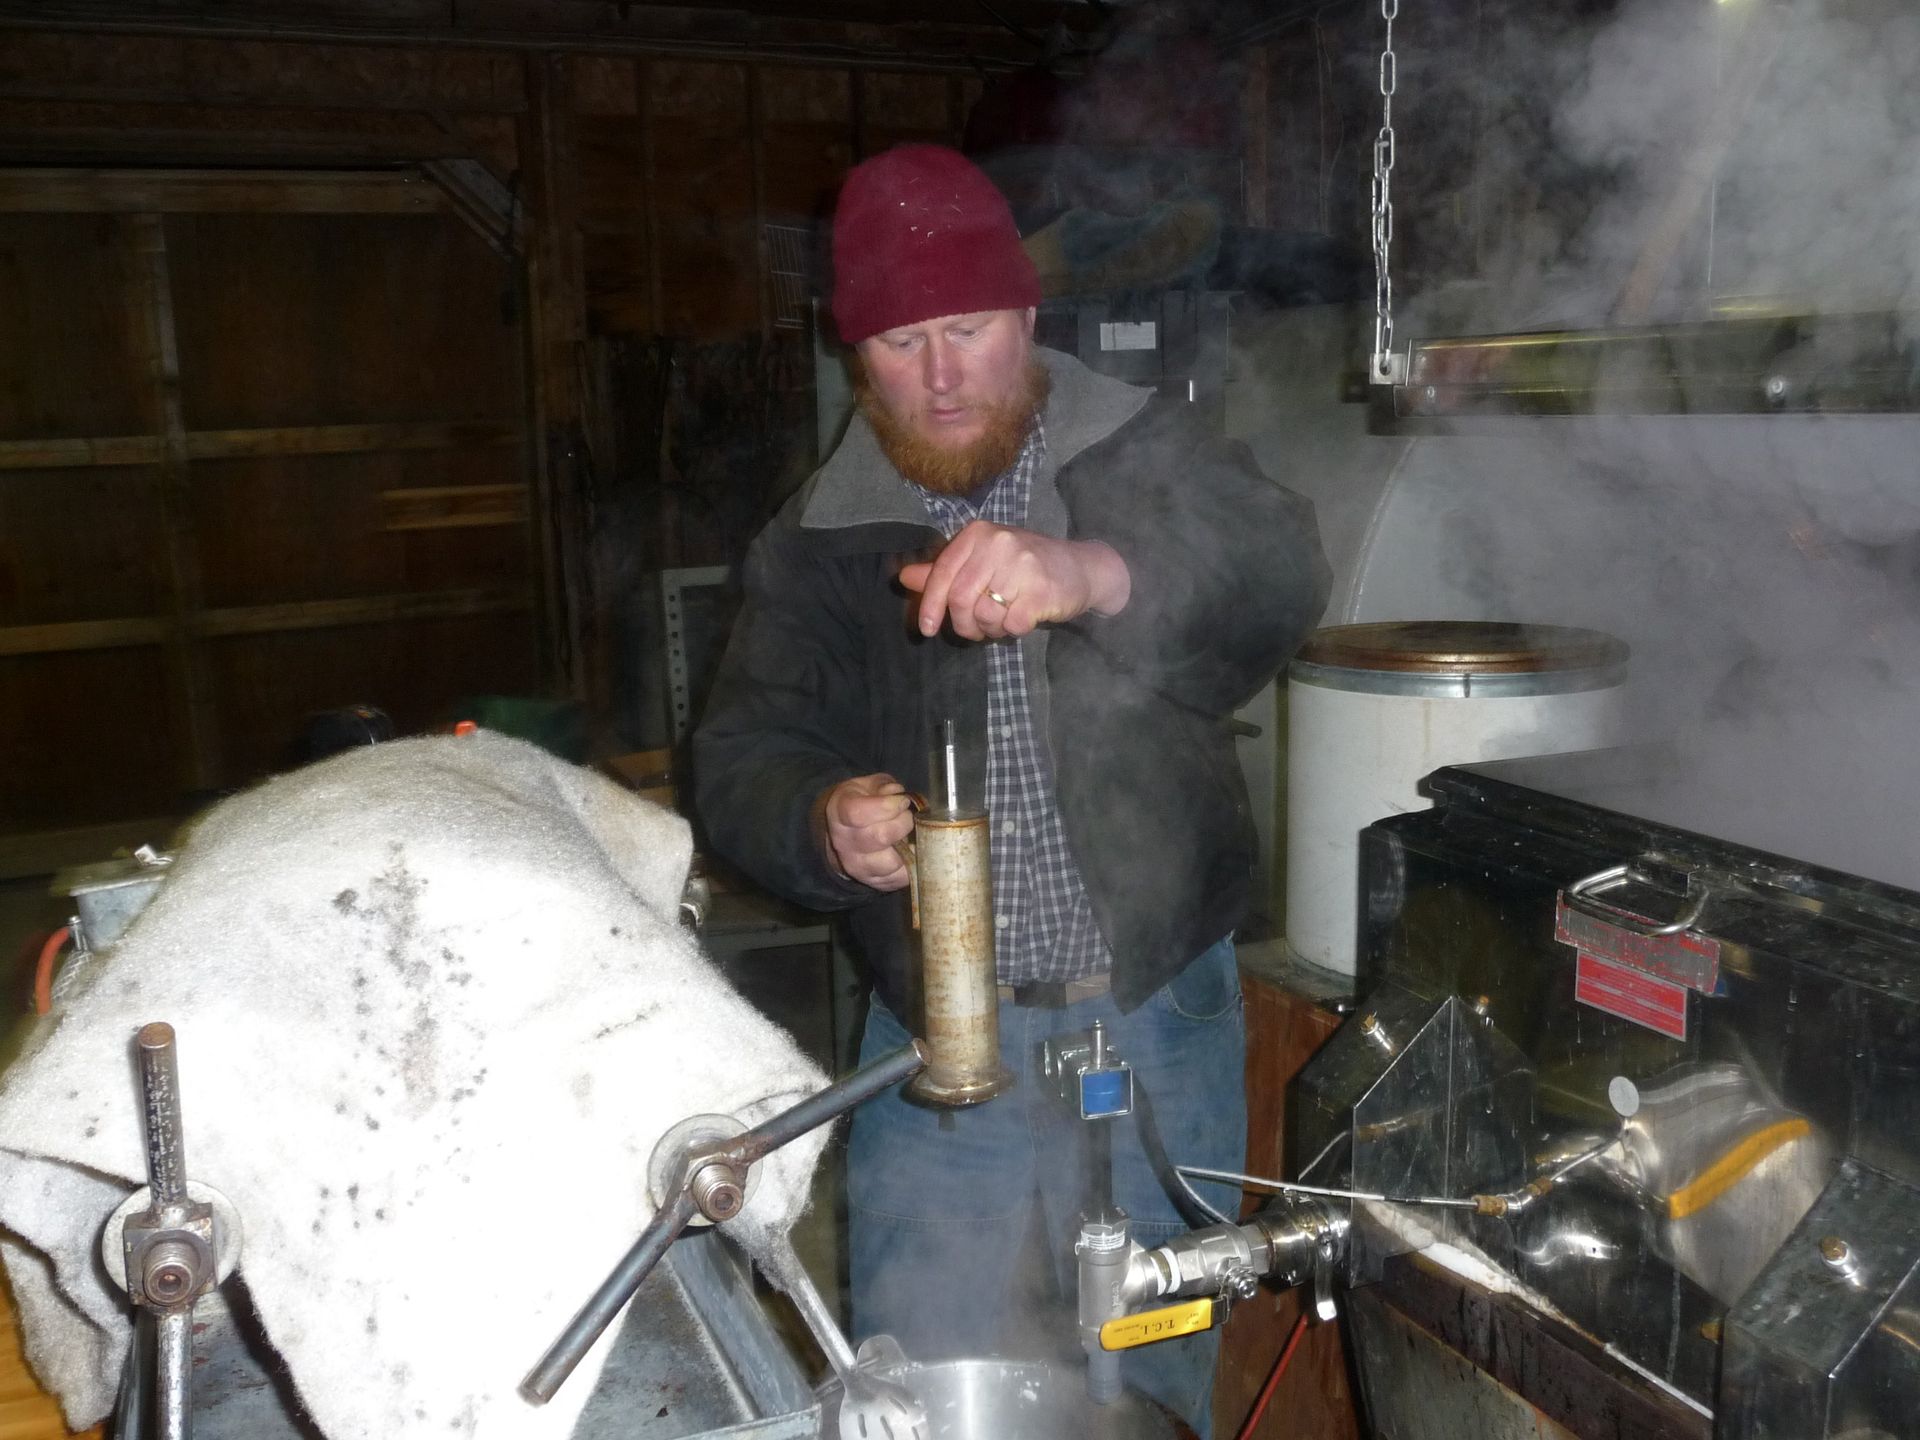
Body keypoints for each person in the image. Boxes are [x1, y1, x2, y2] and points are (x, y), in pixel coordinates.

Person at [693, 143, 1329, 1436]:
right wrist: (820, 819)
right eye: (899, 342)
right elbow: (741, 755)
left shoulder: (1139, 441)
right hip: (934, 1031)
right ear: (851, 356)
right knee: (917, 1377)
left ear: (1026, 316)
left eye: (969, 329)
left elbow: (1280, 571)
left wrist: (1094, 571)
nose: (939, 376)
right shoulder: (817, 536)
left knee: (1152, 1350)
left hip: (1154, 1009)